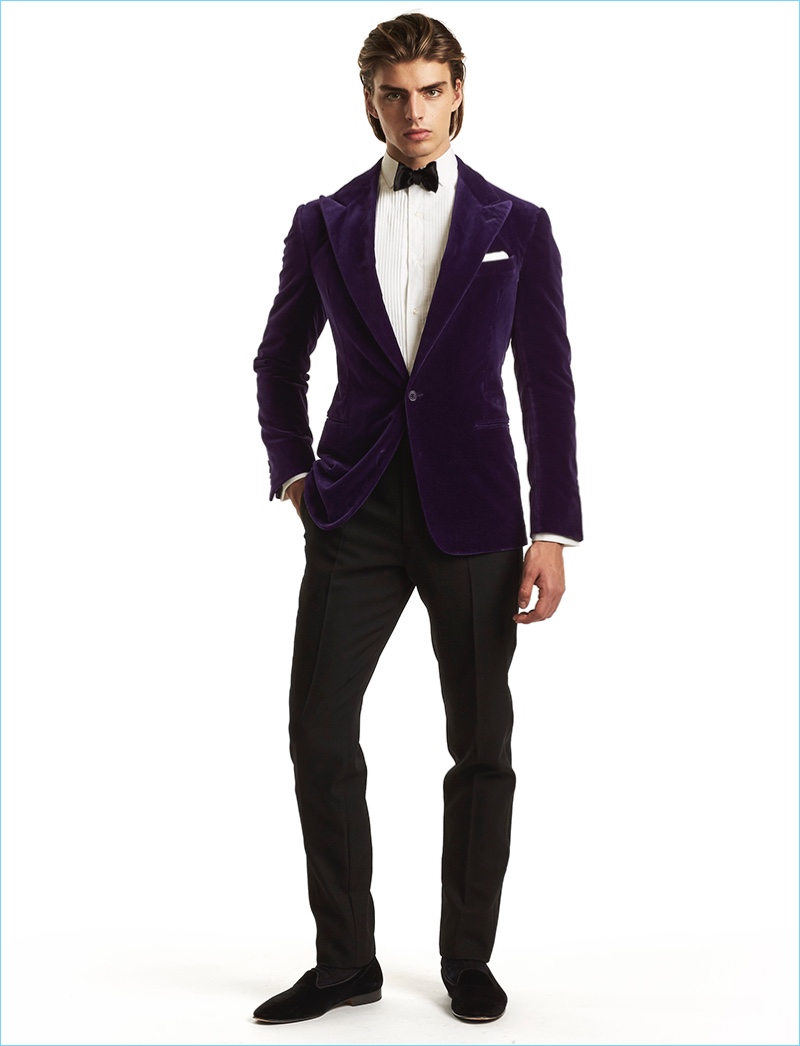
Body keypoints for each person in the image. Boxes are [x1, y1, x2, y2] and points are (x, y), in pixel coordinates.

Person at [251, 12, 582, 1025]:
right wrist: (295, 475)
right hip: (352, 509)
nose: (414, 112)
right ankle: (345, 960)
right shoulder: (323, 220)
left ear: (459, 93)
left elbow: (547, 384)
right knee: (318, 730)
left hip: (476, 514)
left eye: (431, 90)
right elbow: (278, 360)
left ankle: (466, 958)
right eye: (395, 94)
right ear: (370, 101)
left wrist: (552, 529)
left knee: (481, 741)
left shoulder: (517, 224)